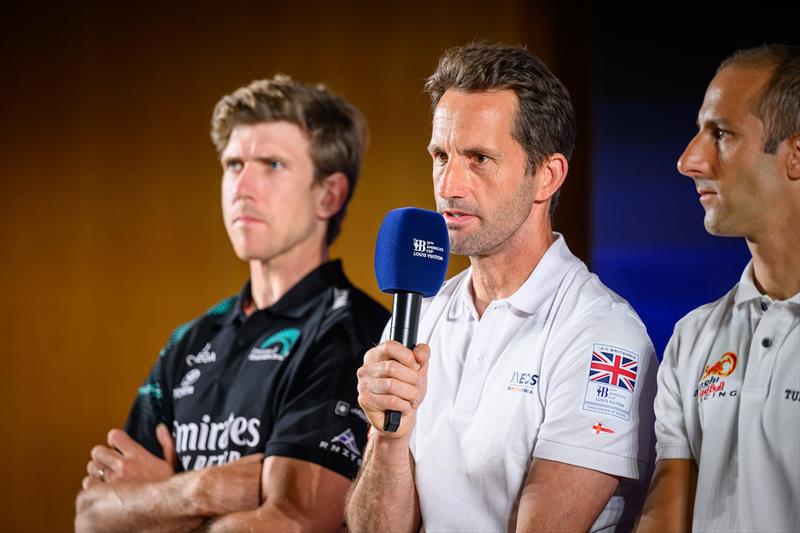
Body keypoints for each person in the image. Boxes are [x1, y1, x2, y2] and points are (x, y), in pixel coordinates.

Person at [346, 42, 658, 533]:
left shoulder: (602, 332)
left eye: (479, 159)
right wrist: (389, 439)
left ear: (547, 176)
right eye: (440, 156)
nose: (449, 184)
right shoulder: (420, 314)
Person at [75, 75, 389, 532]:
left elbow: (291, 525)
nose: (242, 186)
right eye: (233, 164)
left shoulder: (353, 333)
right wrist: (202, 489)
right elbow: (90, 517)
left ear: (329, 194)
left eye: (272, 165)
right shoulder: (190, 339)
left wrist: (155, 501)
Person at [636, 45, 800, 533]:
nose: (690, 160)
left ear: (796, 156)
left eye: (721, 134)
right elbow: (667, 517)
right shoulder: (692, 339)